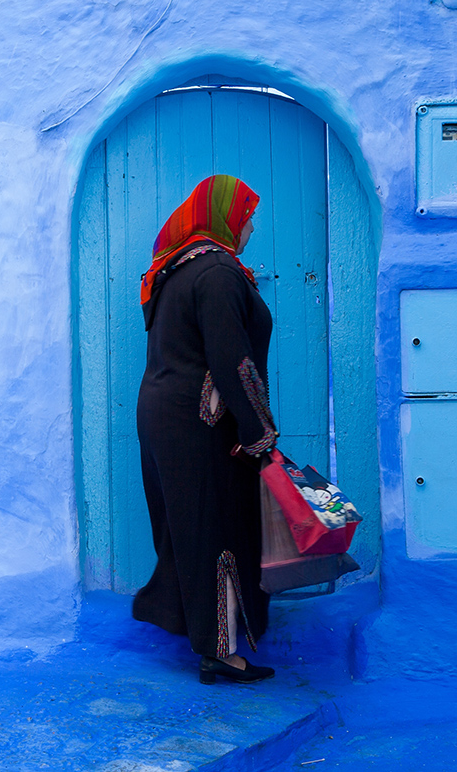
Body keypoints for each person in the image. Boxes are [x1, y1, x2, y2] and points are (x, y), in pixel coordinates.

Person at [132, 173, 278, 685]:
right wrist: (261, 433)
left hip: (169, 416)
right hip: (199, 421)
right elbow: (232, 362)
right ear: (225, 215)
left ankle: (205, 635)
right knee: (219, 526)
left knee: (191, 527)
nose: (252, 226)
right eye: (248, 214)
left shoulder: (178, 268)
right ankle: (221, 652)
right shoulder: (215, 271)